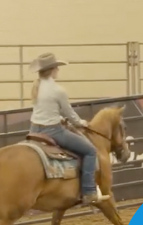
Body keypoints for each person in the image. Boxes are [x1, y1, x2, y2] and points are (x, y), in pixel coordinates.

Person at [28, 52, 107, 207]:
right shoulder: (58, 90)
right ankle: (89, 191)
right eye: (57, 67)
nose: (58, 69)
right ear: (52, 70)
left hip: (34, 129)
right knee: (90, 151)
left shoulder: (36, 87)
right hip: (52, 131)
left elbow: (46, 110)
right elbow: (70, 114)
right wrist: (81, 123)